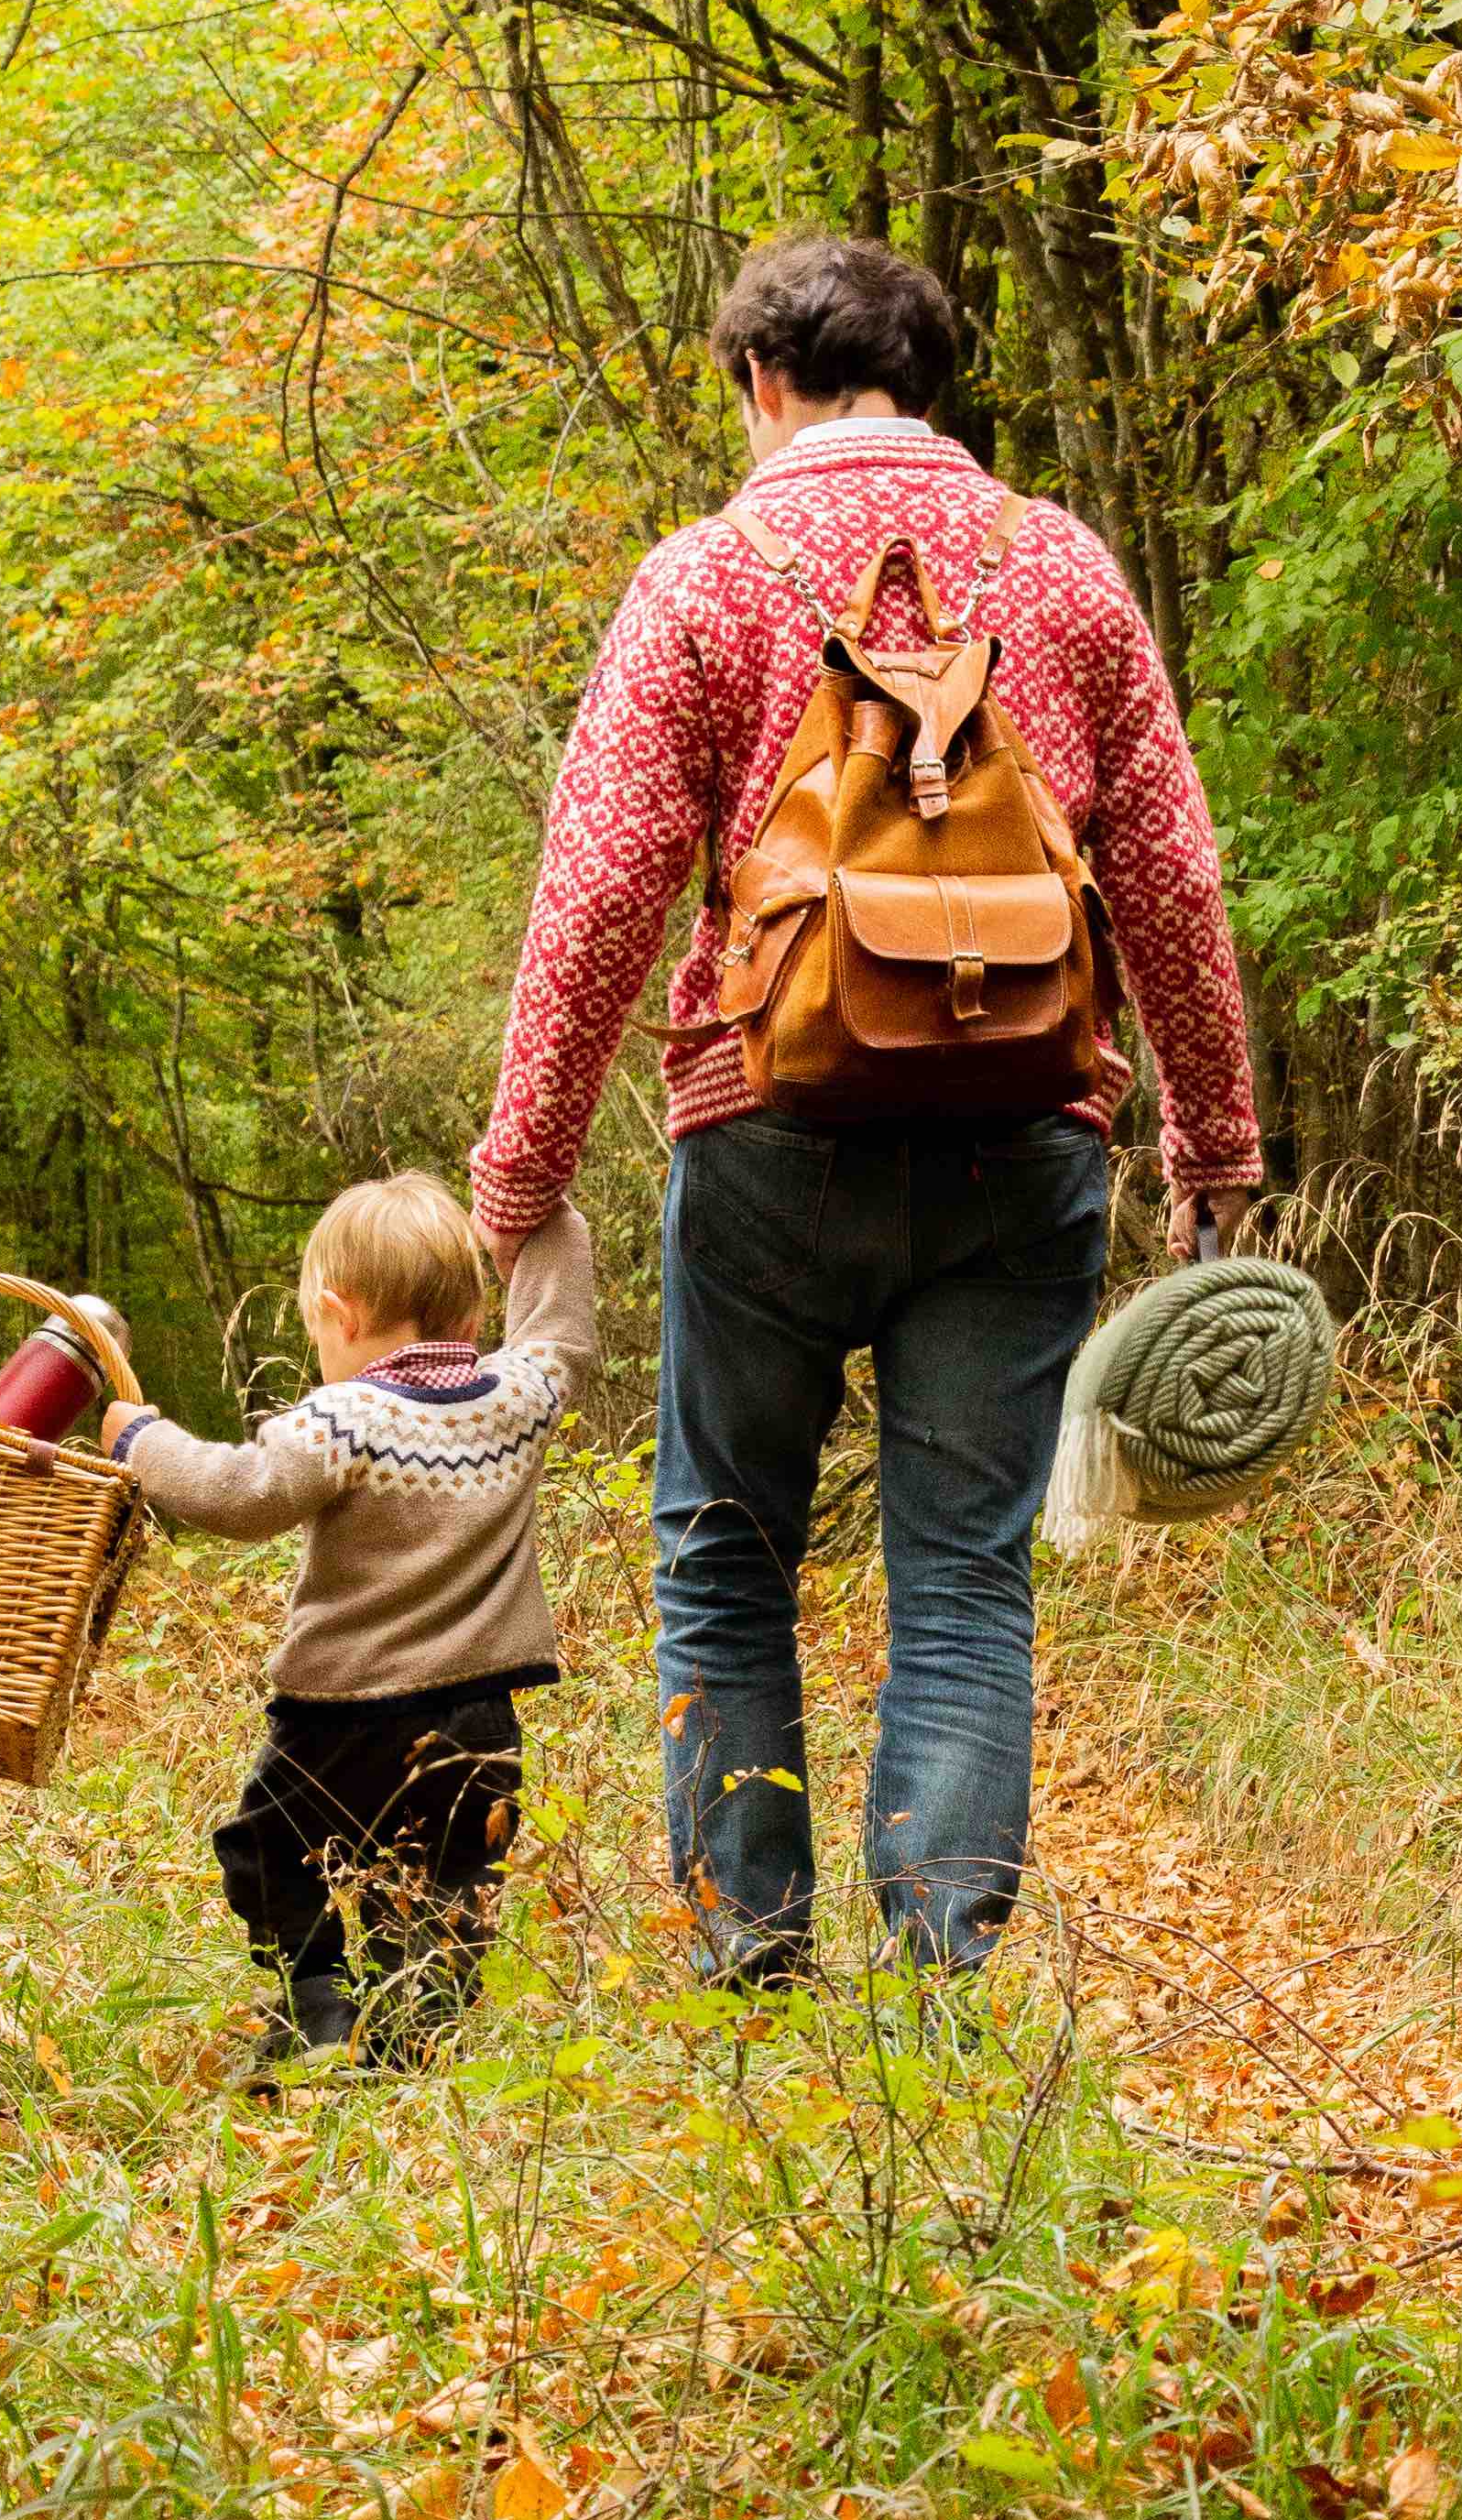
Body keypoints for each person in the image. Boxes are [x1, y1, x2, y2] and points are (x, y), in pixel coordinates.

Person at [471, 230, 1264, 1983]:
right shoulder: (1064, 571)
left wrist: (519, 1177)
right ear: (930, 384)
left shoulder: (703, 577)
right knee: (964, 1571)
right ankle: (934, 2002)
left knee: (724, 1556)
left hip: (769, 1130)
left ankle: (751, 1975)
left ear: (763, 382)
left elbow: (596, 898)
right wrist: (1214, 1146)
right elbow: (1172, 878)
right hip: (1024, 1135)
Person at [100, 1173, 595, 2075]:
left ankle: (316, 2004)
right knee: (451, 1876)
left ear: (341, 1312)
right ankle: (417, 2032)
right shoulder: (518, 1400)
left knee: (270, 1850)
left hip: (340, 1717)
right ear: (474, 1311)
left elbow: (241, 1495)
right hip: (479, 1716)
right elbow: (561, 1325)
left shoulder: (345, 1418)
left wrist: (143, 1444)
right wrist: (534, 1200)